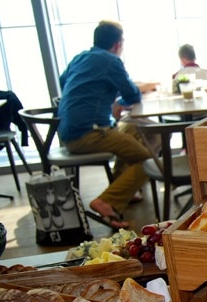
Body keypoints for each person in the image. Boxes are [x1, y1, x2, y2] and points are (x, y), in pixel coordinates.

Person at [57, 20, 157, 230]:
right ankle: (107, 201)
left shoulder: (80, 57)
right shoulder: (111, 61)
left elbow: (64, 81)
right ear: (118, 44)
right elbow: (132, 93)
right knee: (149, 162)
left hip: (68, 132)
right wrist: (120, 101)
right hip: (89, 133)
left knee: (131, 129)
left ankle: (124, 191)